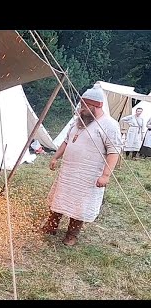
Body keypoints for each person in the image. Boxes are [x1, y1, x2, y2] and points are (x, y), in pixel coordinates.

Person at [42, 85, 123, 246]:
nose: (81, 109)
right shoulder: (78, 121)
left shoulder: (109, 125)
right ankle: (51, 226)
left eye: (84, 106)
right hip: (68, 170)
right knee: (60, 197)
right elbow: (67, 141)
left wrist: (106, 175)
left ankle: (72, 234)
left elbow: (114, 151)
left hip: (89, 174)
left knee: (80, 204)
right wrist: (55, 158)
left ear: (95, 106)